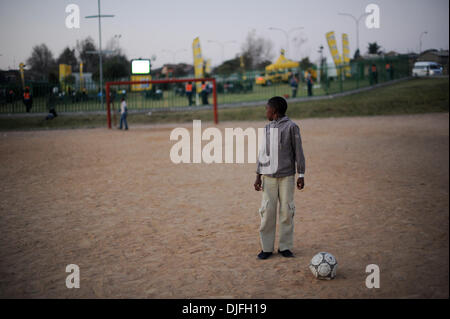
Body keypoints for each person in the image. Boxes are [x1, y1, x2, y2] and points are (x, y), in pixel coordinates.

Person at [254, 96, 305, 260]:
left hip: (287, 177)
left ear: (274, 111)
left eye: (267, 108)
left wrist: (301, 174)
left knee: (287, 211)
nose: (266, 111)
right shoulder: (267, 128)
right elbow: (263, 152)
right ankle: (266, 248)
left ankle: (285, 246)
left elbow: (298, 152)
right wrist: (258, 175)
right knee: (267, 211)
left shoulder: (292, 127)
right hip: (268, 177)